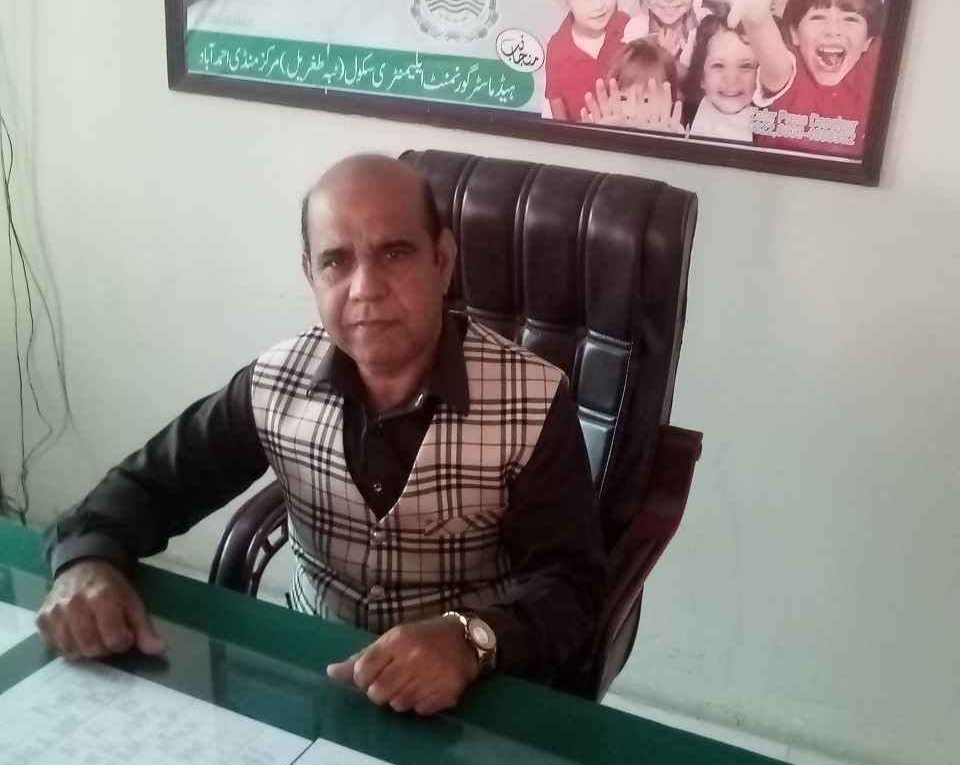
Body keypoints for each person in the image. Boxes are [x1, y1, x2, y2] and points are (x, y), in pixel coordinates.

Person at [37, 156, 606, 715]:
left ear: (442, 262)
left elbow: (570, 585)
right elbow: (152, 483)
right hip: (314, 675)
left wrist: (468, 640)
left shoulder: (533, 399)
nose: (365, 288)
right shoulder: (274, 382)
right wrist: (88, 562)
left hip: (468, 697)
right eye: (337, 261)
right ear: (311, 273)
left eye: (394, 253)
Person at [694, 0, 883, 157]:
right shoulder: (788, 76)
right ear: (794, 34)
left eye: (850, 19)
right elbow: (774, 60)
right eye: (818, 17)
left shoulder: (872, 76)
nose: (833, 30)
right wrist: (758, 19)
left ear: (868, 41)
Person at [544, 0, 630, 121]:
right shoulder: (557, 49)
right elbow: (558, 113)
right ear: (564, 1)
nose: (598, 4)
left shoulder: (629, 29)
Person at [580, 39, 684, 134]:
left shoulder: (673, 130)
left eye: (646, 100)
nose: (632, 112)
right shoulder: (596, 124)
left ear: (669, 102)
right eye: (623, 98)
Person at [685, 14, 758, 143]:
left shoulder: (770, 127)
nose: (731, 79)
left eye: (745, 66)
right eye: (718, 65)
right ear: (701, 77)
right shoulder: (682, 120)